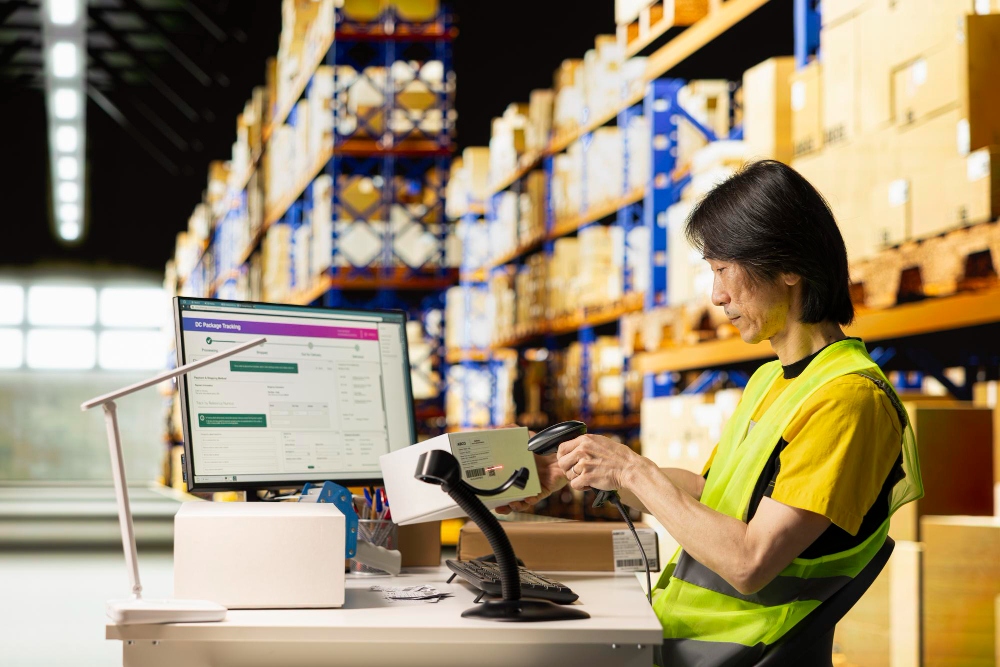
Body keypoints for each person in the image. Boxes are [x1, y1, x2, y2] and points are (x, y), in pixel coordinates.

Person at [499, 160, 923, 666]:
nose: (716, 295)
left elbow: (748, 562)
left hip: (736, 652)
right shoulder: (773, 378)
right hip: (684, 638)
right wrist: (585, 470)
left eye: (725, 269)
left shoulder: (848, 400)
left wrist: (633, 469)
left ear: (790, 267)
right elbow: (712, 497)